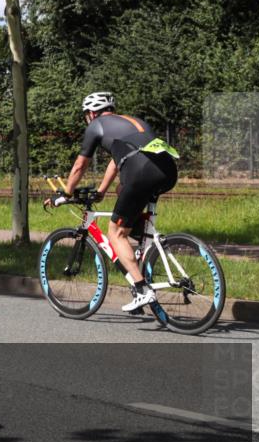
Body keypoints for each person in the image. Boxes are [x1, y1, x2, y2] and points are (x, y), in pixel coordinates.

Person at [46, 91, 179, 313]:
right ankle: (141, 242)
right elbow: (116, 162)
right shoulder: (133, 121)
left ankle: (142, 289)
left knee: (115, 233)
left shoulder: (96, 126)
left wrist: (66, 194)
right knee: (122, 193)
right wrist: (101, 190)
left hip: (141, 171)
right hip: (167, 170)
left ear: (91, 113)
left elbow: (80, 166)